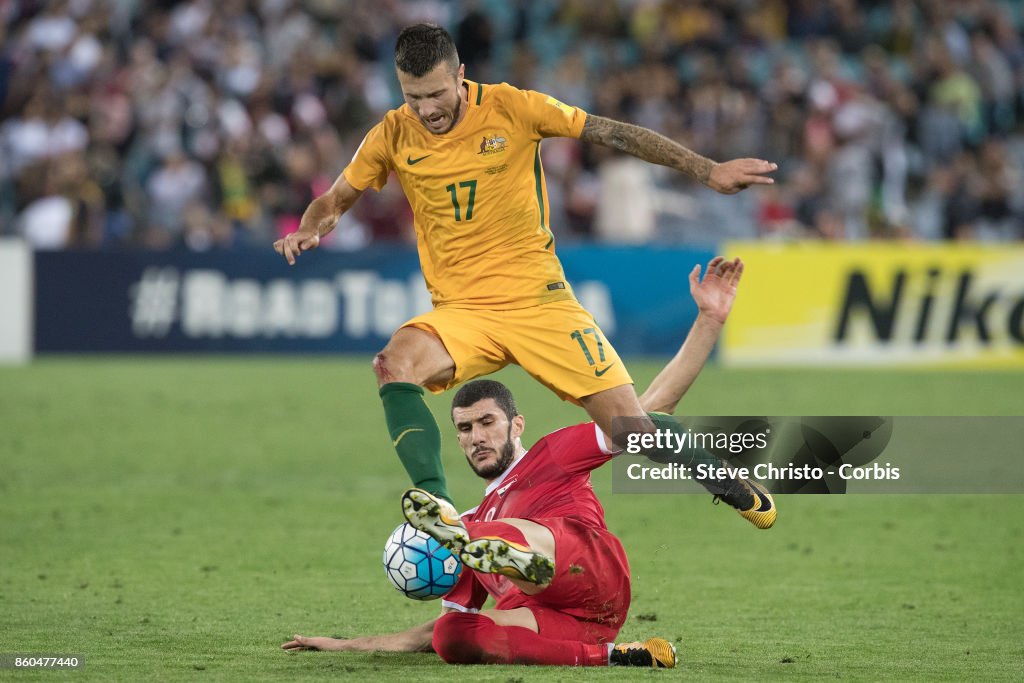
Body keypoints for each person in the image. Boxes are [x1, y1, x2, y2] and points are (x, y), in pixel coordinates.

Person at [272, 24, 777, 516]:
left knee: (631, 431)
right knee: (392, 365)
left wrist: (707, 170)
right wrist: (312, 227)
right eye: (412, 97)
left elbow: (613, 133)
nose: (426, 110)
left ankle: (725, 478)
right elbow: (337, 197)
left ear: (460, 75)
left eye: (436, 94)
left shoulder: (514, 107)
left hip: (539, 303)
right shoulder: (391, 134)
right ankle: (439, 508)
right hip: (463, 313)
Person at [282, 257, 771, 667]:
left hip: (589, 570)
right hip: (570, 622)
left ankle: (521, 558)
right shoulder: (469, 523)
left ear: (517, 425)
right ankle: (615, 656)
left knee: (495, 533)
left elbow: (647, 416)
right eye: (465, 429)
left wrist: (709, 321)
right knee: (452, 636)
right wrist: (346, 644)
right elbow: (425, 635)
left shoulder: (553, 454)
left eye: (488, 423)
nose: (477, 438)